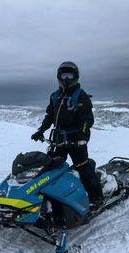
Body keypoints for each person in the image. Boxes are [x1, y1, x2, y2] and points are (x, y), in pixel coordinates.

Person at [31, 61, 103, 209]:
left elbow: (87, 119)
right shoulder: (55, 96)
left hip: (76, 140)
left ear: (76, 76)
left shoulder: (81, 96)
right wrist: (41, 130)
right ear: (58, 76)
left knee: (82, 168)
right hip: (58, 139)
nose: (66, 79)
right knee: (51, 168)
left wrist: (82, 136)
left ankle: (97, 197)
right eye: (63, 75)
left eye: (69, 75)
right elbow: (49, 115)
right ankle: (51, 198)